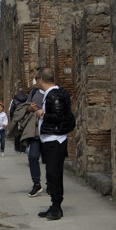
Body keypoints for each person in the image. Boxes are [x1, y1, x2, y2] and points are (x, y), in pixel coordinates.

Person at [34, 68, 75, 221]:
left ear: (40, 80)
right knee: (51, 175)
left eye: (36, 79)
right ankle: (54, 205)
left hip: (55, 141)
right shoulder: (50, 95)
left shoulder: (54, 95)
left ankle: (57, 207)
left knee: (54, 174)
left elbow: (57, 116)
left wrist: (41, 114)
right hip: (50, 140)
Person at [24, 78, 47, 196]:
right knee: (33, 157)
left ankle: (51, 183)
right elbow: (25, 109)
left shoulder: (54, 92)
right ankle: (36, 183)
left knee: (49, 160)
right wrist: (30, 109)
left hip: (49, 132)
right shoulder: (33, 93)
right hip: (35, 131)